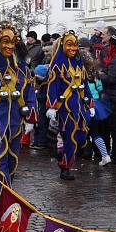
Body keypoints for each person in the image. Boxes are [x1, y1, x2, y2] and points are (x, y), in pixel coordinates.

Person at [0, 22, 36, 187]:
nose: (9, 46)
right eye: (5, 41)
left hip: (16, 121)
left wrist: (30, 117)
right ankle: (3, 196)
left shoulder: (23, 69)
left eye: (13, 42)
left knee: (12, 162)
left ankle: (6, 191)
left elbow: (29, 92)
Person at [46, 31, 95, 179]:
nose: (73, 49)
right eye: (69, 45)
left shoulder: (79, 64)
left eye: (75, 45)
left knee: (81, 138)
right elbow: (53, 86)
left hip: (79, 107)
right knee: (69, 137)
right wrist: (52, 106)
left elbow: (84, 85)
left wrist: (90, 103)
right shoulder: (57, 65)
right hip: (65, 108)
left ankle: (63, 156)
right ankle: (65, 167)